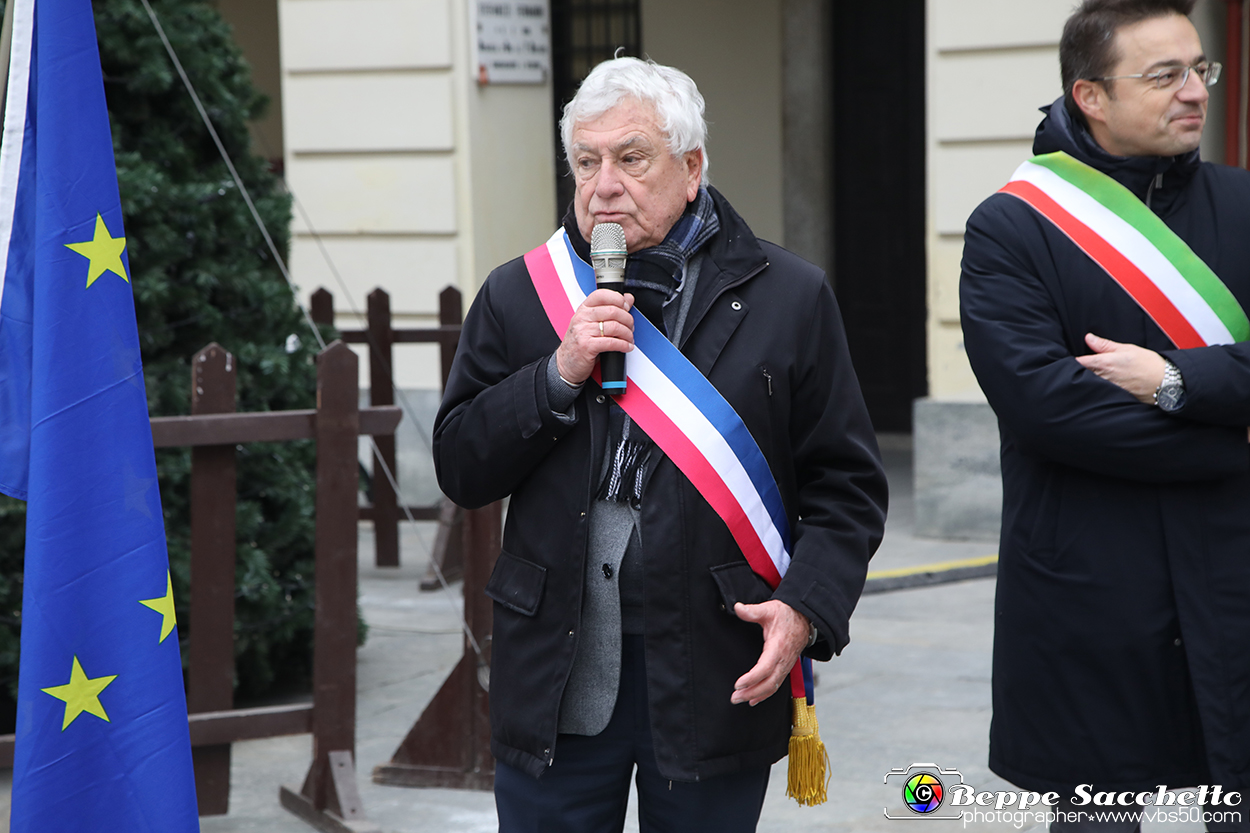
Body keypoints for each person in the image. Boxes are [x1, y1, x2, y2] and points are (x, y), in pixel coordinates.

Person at [433, 57, 887, 832]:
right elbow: (461, 463)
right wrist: (555, 375)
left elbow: (847, 487)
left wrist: (806, 608)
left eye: (631, 158)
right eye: (586, 161)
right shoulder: (519, 294)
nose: (603, 185)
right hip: (556, 668)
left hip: (717, 660)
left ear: (692, 167)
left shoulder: (789, 294)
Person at [960, 1, 1250, 831]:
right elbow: (1050, 407)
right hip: (1088, 590)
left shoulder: (1242, 204)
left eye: (1201, 69)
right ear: (1089, 95)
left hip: (1233, 571)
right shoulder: (1012, 227)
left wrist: (1172, 380)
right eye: (1165, 75)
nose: (1194, 91)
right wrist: (1237, 436)